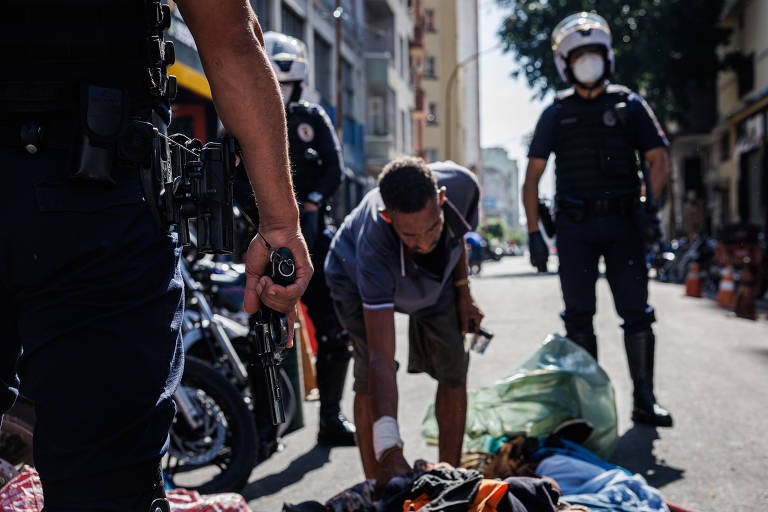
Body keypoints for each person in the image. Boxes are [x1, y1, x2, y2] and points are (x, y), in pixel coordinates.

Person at [0, 1, 311, 510]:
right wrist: (278, 223)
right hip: (87, 199)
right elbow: (231, 35)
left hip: (88, 192)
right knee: (104, 487)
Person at [522, 12, 673, 427]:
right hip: (574, 229)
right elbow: (532, 176)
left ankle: (644, 399)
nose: (587, 62)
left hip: (625, 224)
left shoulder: (629, 105)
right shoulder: (555, 112)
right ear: (565, 63)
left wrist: (648, 204)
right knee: (578, 317)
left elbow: (658, 158)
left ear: (606, 57)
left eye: (593, 54)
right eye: (579, 55)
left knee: (637, 313)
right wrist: (534, 233)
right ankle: (590, 410)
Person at [325, 157, 483, 487]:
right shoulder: (373, 246)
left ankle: (449, 481)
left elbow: (456, 240)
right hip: (352, 275)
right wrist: (390, 449)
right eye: (411, 235)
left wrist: (463, 290)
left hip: (434, 283)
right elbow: (383, 357)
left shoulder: (464, 188)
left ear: (441, 200)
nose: (424, 243)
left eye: (432, 228)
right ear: (388, 218)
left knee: (455, 364)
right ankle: (378, 484)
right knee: (370, 368)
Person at [263, 31, 355, 446]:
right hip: (262, 245)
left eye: (286, 82)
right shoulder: (246, 117)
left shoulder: (312, 118)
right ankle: (266, 429)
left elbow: (336, 169)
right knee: (262, 337)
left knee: (334, 333)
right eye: (273, 80)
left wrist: (313, 203)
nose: (280, 90)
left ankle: (331, 420)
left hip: (315, 242)